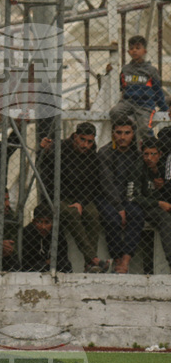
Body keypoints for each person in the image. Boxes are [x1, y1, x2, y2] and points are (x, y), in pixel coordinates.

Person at [37, 122, 110, 273]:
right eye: (82, 140)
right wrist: (42, 150)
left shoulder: (92, 156)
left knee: (93, 214)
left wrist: (81, 202)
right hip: (58, 196)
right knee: (72, 214)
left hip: (81, 197)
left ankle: (89, 264)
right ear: (75, 136)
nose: (85, 145)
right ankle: (93, 259)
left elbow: (92, 183)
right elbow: (44, 170)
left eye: (90, 141)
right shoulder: (60, 148)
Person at [97, 117, 146, 274]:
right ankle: (117, 259)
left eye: (127, 133)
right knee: (113, 219)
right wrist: (119, 207)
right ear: (112, 133)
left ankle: (126, 260)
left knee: (137, 215)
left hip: (129, 198)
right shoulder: (105, 152)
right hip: (107, 198)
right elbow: (107, 184)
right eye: (118, 133)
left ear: (133, 134)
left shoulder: (137, 154)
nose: (122, 137)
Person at [110, 36, 168, 135]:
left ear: (144, 51)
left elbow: (157, 90)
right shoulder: (126, 69)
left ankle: (148, 146)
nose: (134, 51)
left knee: (144, 128)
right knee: (115, 112)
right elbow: (121, 87)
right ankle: (130, 134)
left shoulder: (151, 70)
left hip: (145, 104)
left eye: (137, 48)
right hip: (128, 103)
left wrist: (164, 108)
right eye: (131, 48)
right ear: (128, 52)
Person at [141, 136, 171, 271]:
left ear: (159, 154)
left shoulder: (164, 168)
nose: (149, 158)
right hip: (143, 208)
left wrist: (163, 187)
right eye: (146, 154)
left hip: (160, 207)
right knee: (164, 219)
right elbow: (134, 196)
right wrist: (158, 202)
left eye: (153, 154)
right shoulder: (138, 168)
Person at [21, 204, 72, 273]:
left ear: (53, 222)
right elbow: (26, 261)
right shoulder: (28, 233)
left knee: (66, 265)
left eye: (47, 222)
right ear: (33, 222)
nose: (43, 227)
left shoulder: (57, 232)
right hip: (34, 266)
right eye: (39, 222)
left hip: (53, 264)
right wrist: (46, 262)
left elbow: (63, 255)